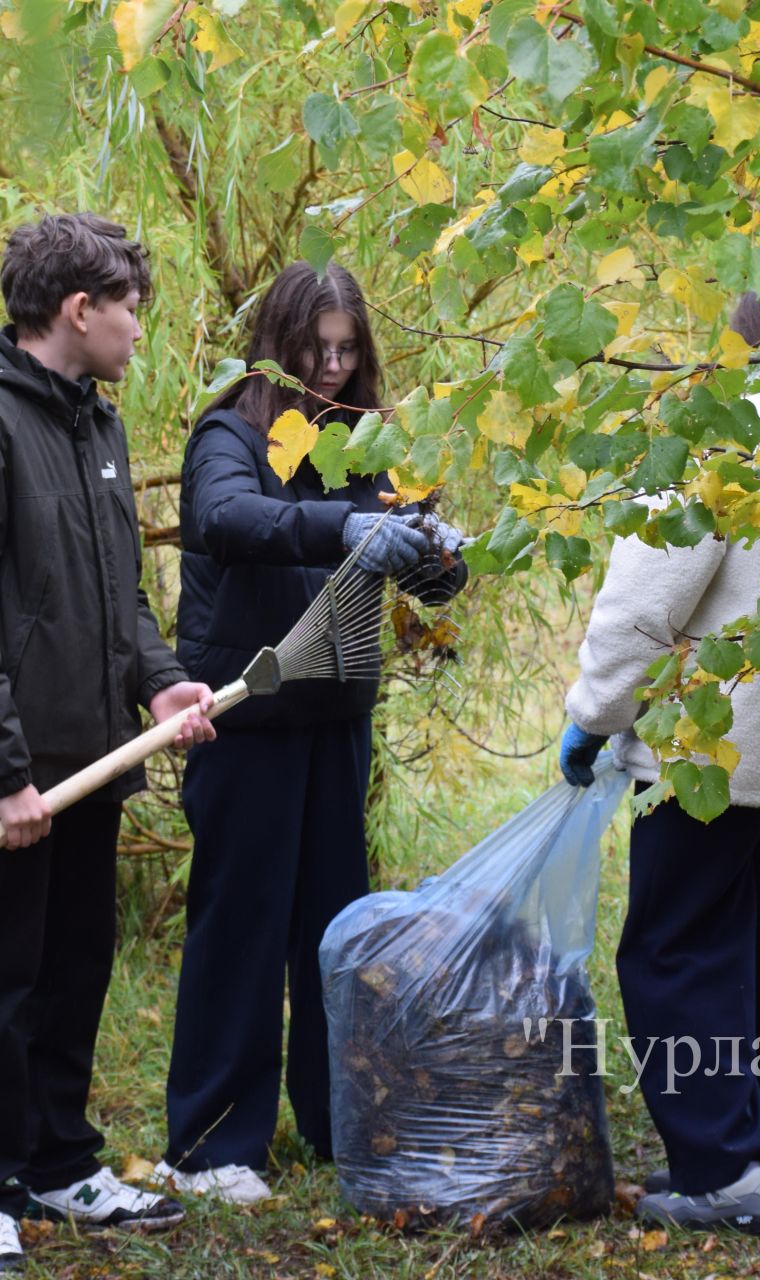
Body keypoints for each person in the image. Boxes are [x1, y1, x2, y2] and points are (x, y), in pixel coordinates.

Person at [0, 213, 216, 1277]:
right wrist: (3, 774)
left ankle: (58, 1160)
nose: (138, 329)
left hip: (95, 759)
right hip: (11, 778)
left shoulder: (97, 425)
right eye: (129, 308)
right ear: (78, 309)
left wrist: (160, 677)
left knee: (76, 963)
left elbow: (115, 592)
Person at [157, 261, 465, 1203]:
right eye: (313, 350)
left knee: (337, 936)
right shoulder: (230, 431)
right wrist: (343, 529)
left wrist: (440, 556)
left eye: (346, 351)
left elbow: (410, 563)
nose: (330, 369)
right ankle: (212, 1147)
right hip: (246, 722)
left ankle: (342, 1128)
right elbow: (223, 517)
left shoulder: (364, 446)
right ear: (278, 347)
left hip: (335, 719)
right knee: (240, 929)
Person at [559, 354, 760, 1234]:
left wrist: (594, 712)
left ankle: (725, 1170)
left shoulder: (720, 432)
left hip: (705, 750)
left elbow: (647, 598)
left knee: (675, 951)